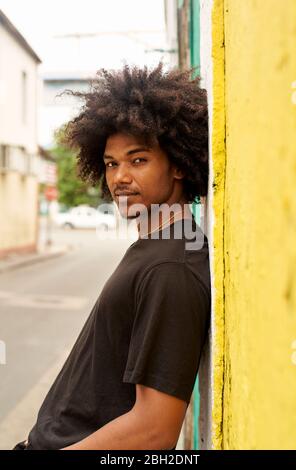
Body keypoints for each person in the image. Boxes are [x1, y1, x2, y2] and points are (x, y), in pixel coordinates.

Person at [12, 62, 211, 450]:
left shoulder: (172, 266)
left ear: (179, 166)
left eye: (138, 160)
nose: (120, 177)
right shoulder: (159, 245)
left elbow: (154, 431)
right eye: (111, 163)